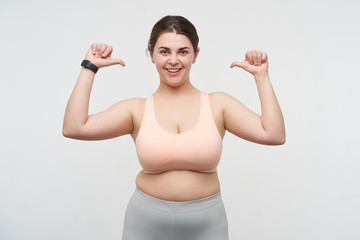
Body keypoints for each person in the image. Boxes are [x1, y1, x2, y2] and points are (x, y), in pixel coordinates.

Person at [63, 15, 285, 240]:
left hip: (207, 224)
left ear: (195, 55)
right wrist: (89, 67)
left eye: (183, 51)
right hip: (144, 223)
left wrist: (262, 77)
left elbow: (274, 134)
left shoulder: (219, 105)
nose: (173, 60)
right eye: (164, 51)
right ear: (151, 54)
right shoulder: (136, 110)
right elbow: (74, 127)